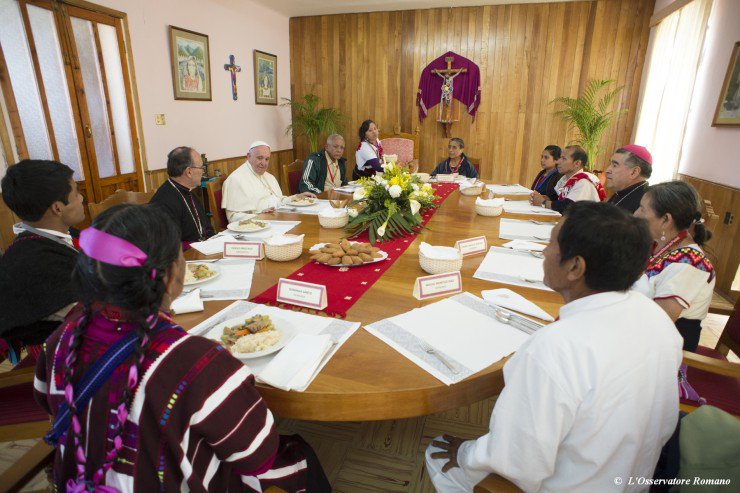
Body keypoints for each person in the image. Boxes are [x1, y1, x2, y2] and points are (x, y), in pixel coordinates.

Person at [33, 204, 330, 492]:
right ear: (171, 275)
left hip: (78, 481)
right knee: (299, 453)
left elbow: (46, 400)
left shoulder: (60, 339)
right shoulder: (197, 361)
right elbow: (258, 455)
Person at [426, 202, 682, 493]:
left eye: (550, 243)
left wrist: (464, 453)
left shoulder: (554, 349)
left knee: (436, 454)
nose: (544, 251)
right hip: (634, 477)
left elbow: (516, 461)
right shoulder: (655, 317)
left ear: (575, 266)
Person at [0, 160, 85, 358]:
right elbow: (97, 318)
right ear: (57, 208)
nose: (82, 198)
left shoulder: (54, 237)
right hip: (66, 359)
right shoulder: (36, 263)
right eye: (76, 193)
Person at [633, 181, 714, 352]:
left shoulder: (689, 264)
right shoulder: (663, 247)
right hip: (642, 339)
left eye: (642, 209)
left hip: (663, 355)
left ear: (665, 220)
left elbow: (658, 324)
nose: (635, 214)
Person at [221, 141, 315, 222]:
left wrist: (297, 197)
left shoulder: (269, 177)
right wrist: (260, 216)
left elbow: (279, 201)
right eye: (260, 158)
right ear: (248, 156)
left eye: (267, 159)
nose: (264, 163)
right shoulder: (235, 179)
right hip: (255, 226)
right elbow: (233, 218)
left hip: (275, 219)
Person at [149, 146, 214, 248]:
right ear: (189, 172)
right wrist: (200, 245)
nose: (203, 171)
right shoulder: (163, 202)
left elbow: (206, 228)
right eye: (201, 167)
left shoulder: (188, 191)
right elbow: (168, 246)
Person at [529, 145, 605, 213]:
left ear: (577, 163)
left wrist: (543, 202)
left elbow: (567, 207)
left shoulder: (584, 181)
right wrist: (539, 197)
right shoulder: (564, 179)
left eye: (564, 159)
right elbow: (554, 197)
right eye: (560, 158)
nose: (558, 162)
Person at [605, 144, 652, 214]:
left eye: (614, 165)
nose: (607, 170)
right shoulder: (621, 192)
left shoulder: (644, 203)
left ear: (634, 172)